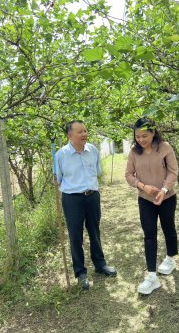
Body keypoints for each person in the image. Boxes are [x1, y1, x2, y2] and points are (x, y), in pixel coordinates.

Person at [56, 120, 117, 290]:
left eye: (85, 131)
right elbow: (58, 180)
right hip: (72, 199)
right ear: (69, 135)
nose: (84, 134)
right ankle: (80, 272)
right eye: (79, 132)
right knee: (75, 236)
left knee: (94, 231)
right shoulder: (60, 155)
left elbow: (97, 172)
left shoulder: (93, 150)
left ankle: (100, 264)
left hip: (92, 196)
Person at [125, 116, 179, 295]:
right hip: (145, 199)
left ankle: (170, 258)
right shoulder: (134, 152)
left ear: (153, 132)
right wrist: (142, 186)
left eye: (144, 136)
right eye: (137, 136)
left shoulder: (165, 148)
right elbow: (129, 175)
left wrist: (164, 190)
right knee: (149, 234)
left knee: (168, 228)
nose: (140, 140)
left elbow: (173, 172)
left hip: (167, 197)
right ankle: (151, 276)